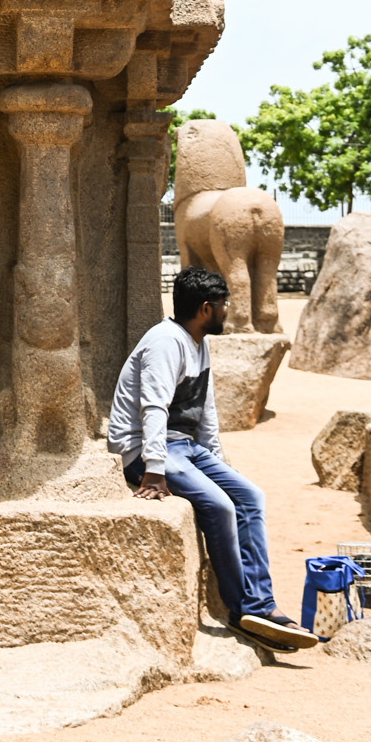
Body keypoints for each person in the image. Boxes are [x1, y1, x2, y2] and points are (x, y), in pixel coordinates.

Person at [107, 265, 316, 651]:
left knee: (250, 496)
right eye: (223, 304)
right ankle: (243, 611)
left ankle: (262, 604)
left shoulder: (197, 341)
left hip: (184, 446)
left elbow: (205, 410)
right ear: (205, 308)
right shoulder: (165, 343)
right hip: (144, 448)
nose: (227, 311)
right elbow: (153, 407)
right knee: (220, 506)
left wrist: (217, 462)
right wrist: (154, 470)